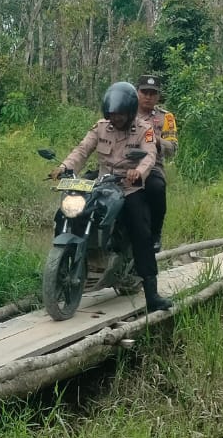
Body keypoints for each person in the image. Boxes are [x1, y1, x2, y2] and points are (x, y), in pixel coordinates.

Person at [50, 81, 173, 312]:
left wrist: (139, 172)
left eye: (120, 115)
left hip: (129, 187)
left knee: (141, 234)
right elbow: (82, 149)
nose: (115, 119)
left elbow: (149, 155)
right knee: (74, 209)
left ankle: (152, 294)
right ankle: (69, 263)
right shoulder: (100, 127)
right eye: (112, 114)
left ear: (130, 112)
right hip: (102, 182)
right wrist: (64, 166)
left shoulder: (145, 129)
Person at [135, 74, 177, 252]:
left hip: (153, 166)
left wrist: (156, 140)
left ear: (158, 96)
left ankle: (155, 234)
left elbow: (173, 148)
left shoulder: (166, 118)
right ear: (137, 92)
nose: (148, 96)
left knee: (157, 188)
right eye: (145, 91)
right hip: (121, 163)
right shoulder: (125, 111)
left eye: (153, 93)